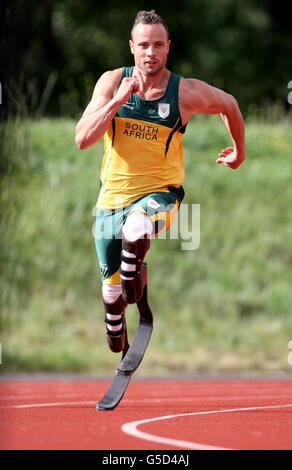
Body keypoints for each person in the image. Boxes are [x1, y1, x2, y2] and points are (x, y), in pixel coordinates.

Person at [75, 10, 246, 355]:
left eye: (157, 45)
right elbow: (82, 138)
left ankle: (135, 274)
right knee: (111, 296)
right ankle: (118, 325)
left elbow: (229, 104)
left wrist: (239, 153)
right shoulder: (111, 82)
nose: (150, 52)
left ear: (168, 47)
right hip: (111, 199)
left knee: (137, 228)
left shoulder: (184, 92)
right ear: (131, 48)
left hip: (161, 194)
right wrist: (119, 101)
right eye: (143, 45)